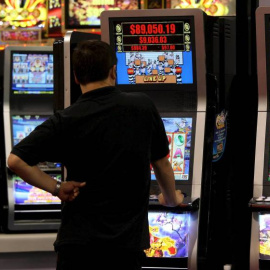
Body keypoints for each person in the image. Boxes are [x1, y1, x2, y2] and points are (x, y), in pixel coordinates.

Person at [7, 40, 184, 270]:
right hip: (124, 247)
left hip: (77, 245)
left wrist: (57, 187)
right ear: (113, 71)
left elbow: (15, 161)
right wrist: (170, 200)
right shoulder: (142, 106)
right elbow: (161, 164)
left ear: (76, 77)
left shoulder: (66, 119)